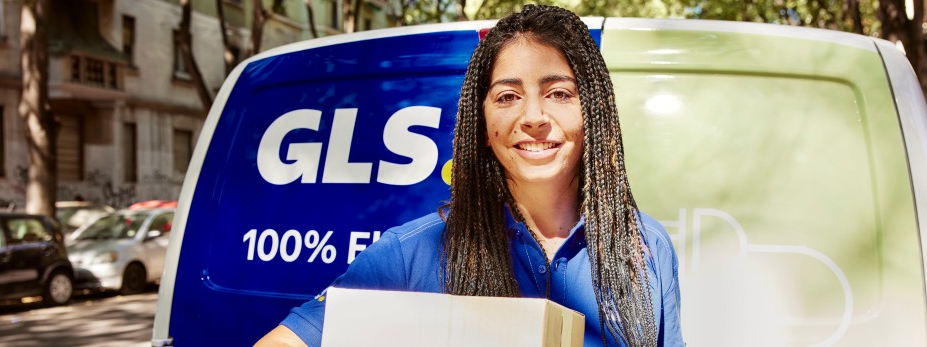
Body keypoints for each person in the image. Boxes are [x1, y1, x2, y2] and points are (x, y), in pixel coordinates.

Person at [256, 4, 683, 347]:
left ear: (593, 114)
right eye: (508, 96)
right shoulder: (411, 253)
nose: (533, 116)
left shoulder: (645, 248)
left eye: (558, 93)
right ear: (481, 126)